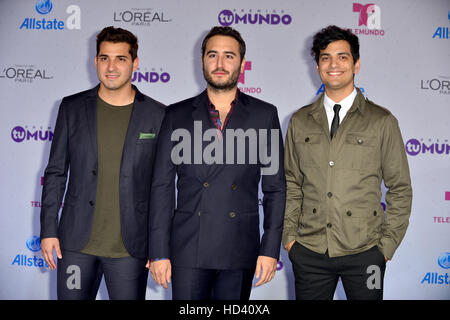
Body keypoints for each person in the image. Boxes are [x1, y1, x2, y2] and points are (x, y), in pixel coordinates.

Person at [147, 26, 286, 300]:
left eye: (229, 56)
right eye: (213, 55)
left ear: (241, 63)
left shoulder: (264, 115)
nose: (220, 64)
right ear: (202, 60)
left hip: (239, 246)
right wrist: (159, 251)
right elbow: (161, 187)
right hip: (188, 248)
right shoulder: (176, 115)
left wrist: (270, 249)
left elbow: (275, 189)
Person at [282, 25, 412, 300]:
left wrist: (385, 248)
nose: (334, 64)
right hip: (309, 251)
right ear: (317, 65)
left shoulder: (382, 121)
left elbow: (400, 188)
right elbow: (291, 183)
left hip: (366, 254)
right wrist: (290, 239)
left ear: (356, 63)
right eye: (326, 57)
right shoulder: (299, 120)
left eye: (342, 57)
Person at [40, 26, 165, 300]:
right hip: (75, 246)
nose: (111, 66)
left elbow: (162, 189)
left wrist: (160, 248)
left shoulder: (158, 115)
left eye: (120, 58)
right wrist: (49, 230)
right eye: (104, 58)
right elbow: (56, 173)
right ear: (95, 61)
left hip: (130, 251)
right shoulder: (71, 108)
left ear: (135, 63)